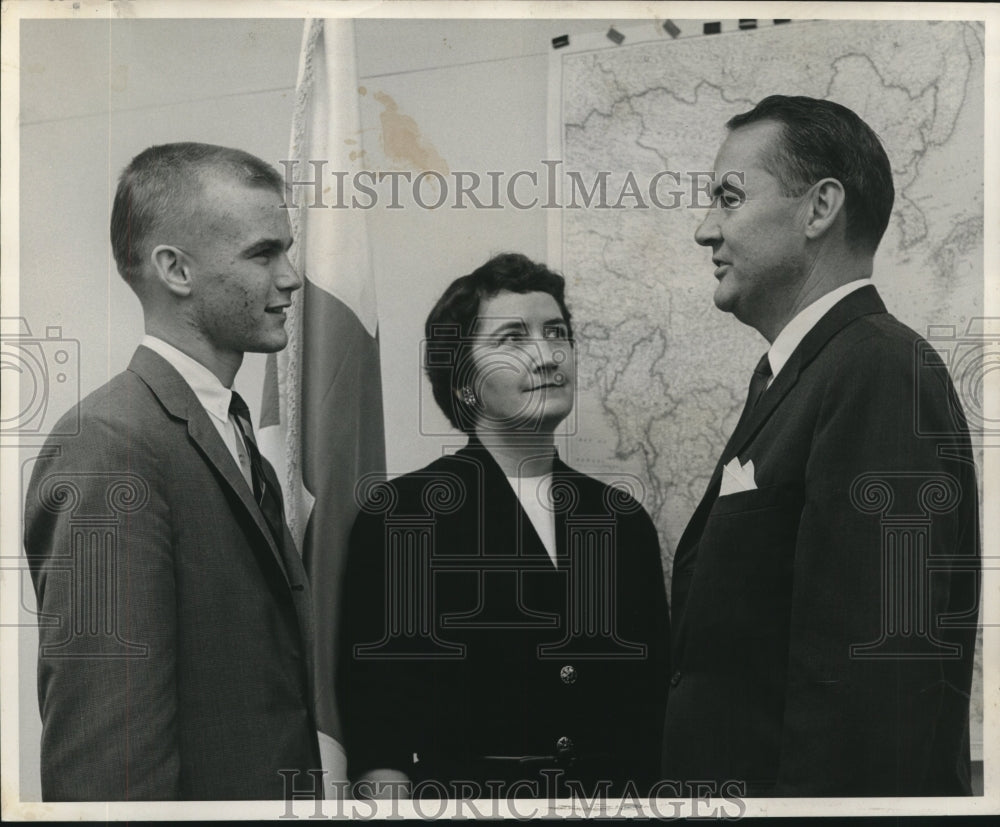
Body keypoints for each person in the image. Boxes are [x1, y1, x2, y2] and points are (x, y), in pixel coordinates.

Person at [662, 95, 980, 796]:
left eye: (728, 197)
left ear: (819, 209)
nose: (703, 229)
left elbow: (874, 691)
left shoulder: (879, 370)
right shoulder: (803, 374)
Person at [23, 143, 321, 800]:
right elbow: (107, 768)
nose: (292, 277)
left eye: (286, 250)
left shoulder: (228, 427)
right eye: (263, 253)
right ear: (175, 269)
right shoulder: (109, 444)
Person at [337, 253, 669, 799]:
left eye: (556, 333)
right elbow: (381, 730)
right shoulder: (403, 515)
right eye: (512, 339)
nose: (546, 355)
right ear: (464, 381)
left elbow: (652, 707)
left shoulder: (621, 519)